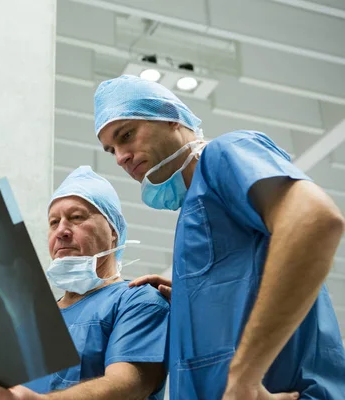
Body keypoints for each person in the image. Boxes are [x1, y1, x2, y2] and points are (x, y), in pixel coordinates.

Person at [94, 74, 345, 399]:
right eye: (111, 149)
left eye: (126, 135)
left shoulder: (224, 154)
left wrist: (244, 377)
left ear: (170, 117)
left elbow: (315, 220)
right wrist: (195, 300)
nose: (120, 157)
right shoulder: (195, 209)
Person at [0, 165, 170, 400]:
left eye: (76, 217)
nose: (61, 231)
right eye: (53, 222)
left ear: (113, 231)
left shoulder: (138, 301)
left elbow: (129, 385)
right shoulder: (31, 322)